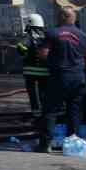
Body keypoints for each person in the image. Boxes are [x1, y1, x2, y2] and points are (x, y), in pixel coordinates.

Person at [43, 5, 86, 149]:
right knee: (75, 110)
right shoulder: (84, 35)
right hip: (78, 77)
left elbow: (43, 53)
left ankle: (46, 143)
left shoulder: (52, 33)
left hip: (58, 76)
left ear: (62, 17)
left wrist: (55, 61)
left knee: (51, 110)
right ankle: (72, 143)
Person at [16, 13, 53, 145]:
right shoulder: (47, 35)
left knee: (34, 98)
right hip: (46, 74)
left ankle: (37, 121)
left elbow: (21, 47)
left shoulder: (29, 36)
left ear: (30, 24)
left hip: (31, 74)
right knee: (44, 97)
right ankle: (44, 119)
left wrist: (25, 54)